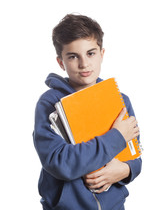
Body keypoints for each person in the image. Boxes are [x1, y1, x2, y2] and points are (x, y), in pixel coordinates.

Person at [33, 14, 142, 210]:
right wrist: (116, 137)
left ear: (102, 53)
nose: (84, 64)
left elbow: (135, 155)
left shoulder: (120, 99)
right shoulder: (49, 103)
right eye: (73, 56)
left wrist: (125, 169)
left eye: (90, 53)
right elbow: (59, 162)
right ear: (60, 62)